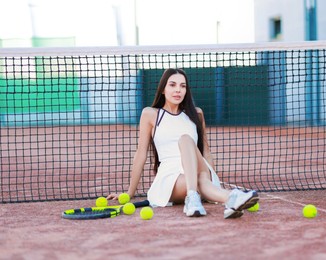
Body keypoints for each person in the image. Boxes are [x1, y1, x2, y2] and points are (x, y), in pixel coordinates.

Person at [107, 68, 258, 218]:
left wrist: (213, 181)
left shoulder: (196, 114)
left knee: (187, 141)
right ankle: (230, 197)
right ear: (163, 90)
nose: (178, 90)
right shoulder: (151, 114)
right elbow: (141, 154)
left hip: (201, 169)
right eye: (172, 85)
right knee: (194, 165)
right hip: (171, 176)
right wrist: (130, 192)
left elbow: (206, 152)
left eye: (182, 86)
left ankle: (194, 198)